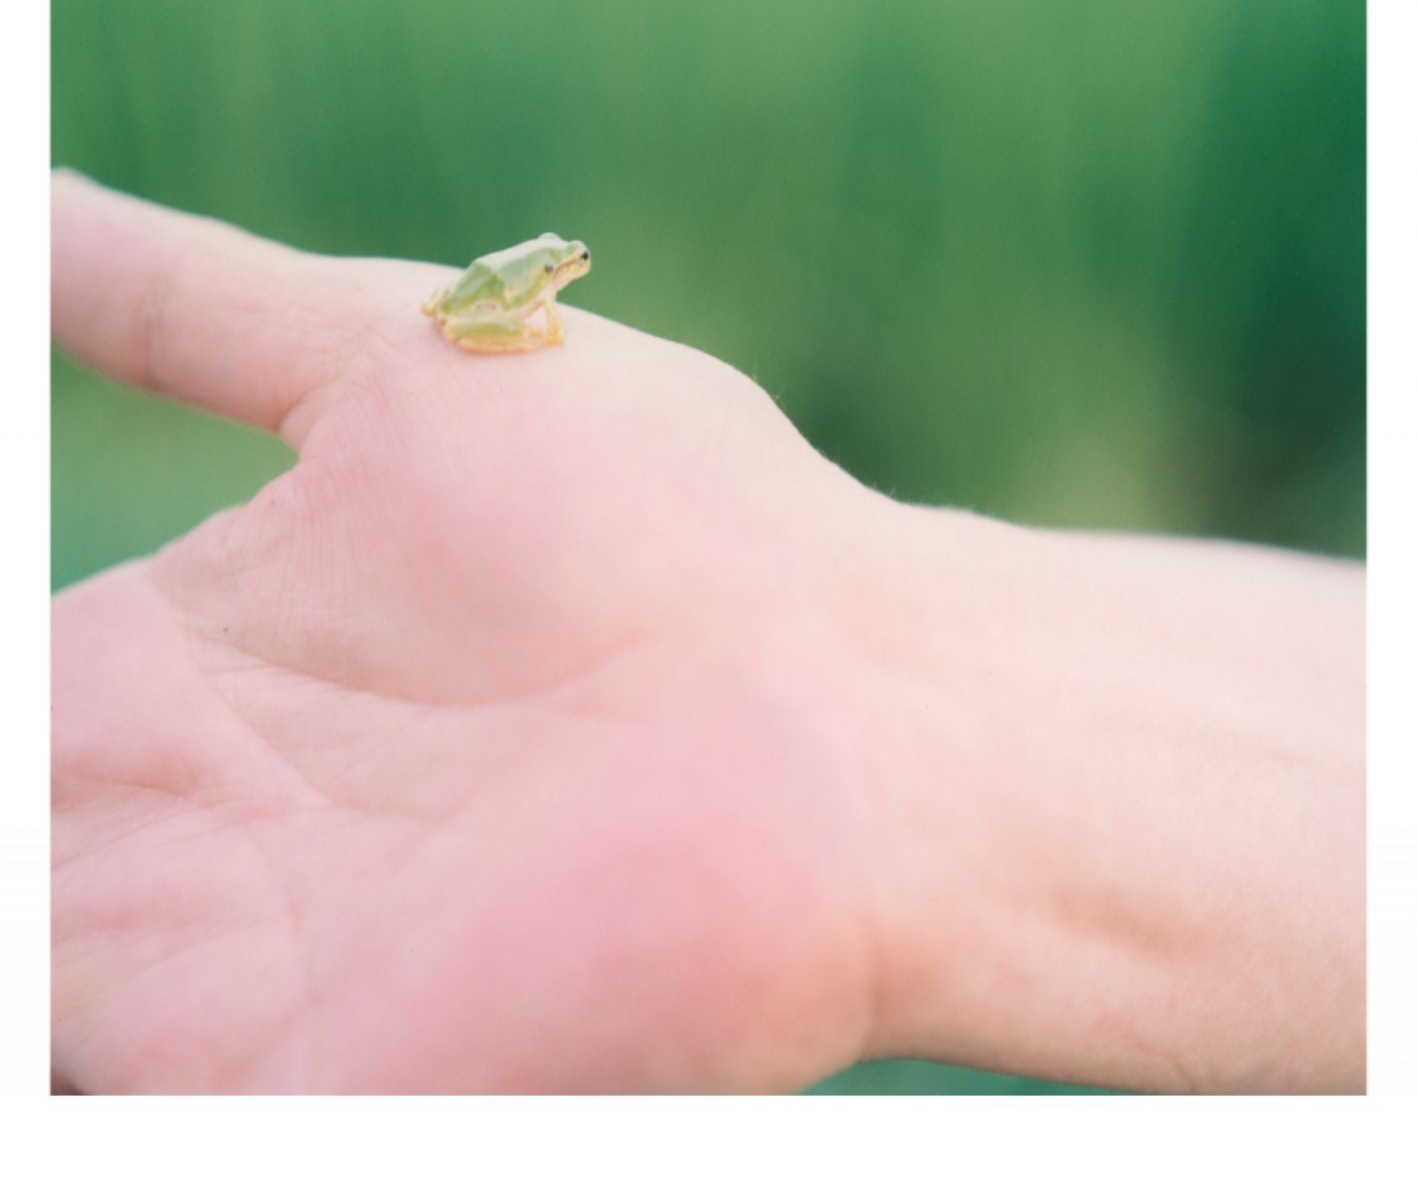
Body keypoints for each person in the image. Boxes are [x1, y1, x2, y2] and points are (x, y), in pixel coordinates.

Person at [50, 172, 1365, 1094]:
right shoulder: (520, 296)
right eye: (565, 264)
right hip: (471, 328)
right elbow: (485, 315)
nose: (572, 270)